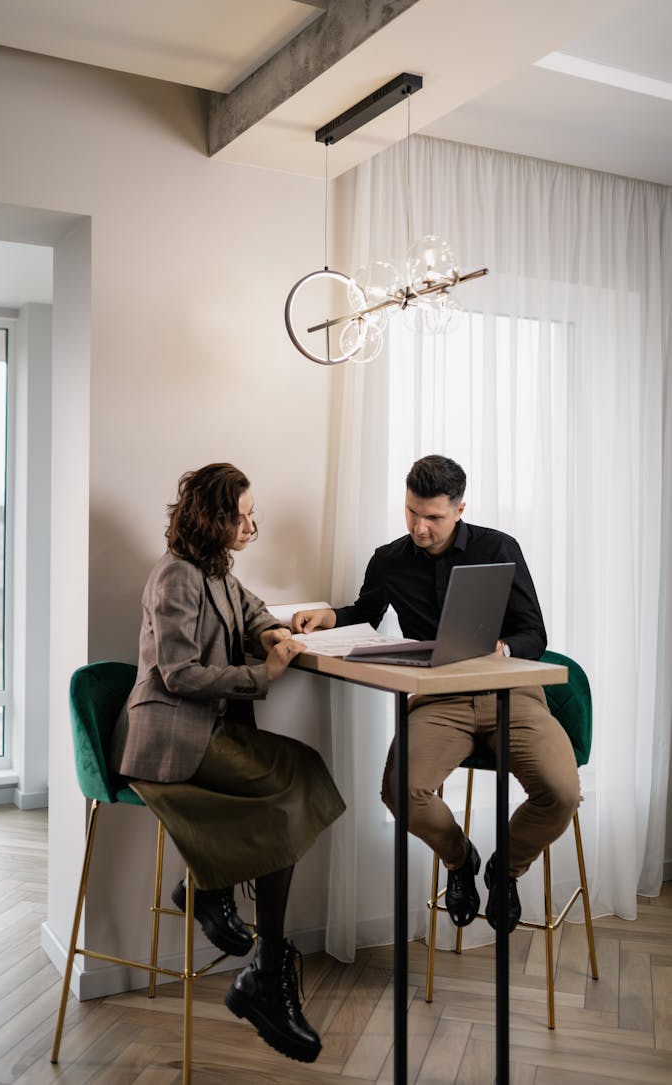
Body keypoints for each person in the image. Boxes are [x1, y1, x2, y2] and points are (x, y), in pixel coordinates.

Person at [111, 462, 345, 1064]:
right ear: (214, 520)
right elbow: (179, 673)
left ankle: (222, 906)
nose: (251, 525)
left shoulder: (215, 572)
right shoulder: (176, 577)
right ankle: (263, 967)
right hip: (169, 737)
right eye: (242, 516)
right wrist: (260, 673)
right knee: (291, 796)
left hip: (206, 729)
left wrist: (271, 632)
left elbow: (252, 610)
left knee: (306, 775)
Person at [292, 454, 580, 933]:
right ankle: (459, 858)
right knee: (400, 791)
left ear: (460, 509)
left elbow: (536, 632)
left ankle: (504, 869)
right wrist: (329, 616)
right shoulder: (388, 560)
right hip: (439, 701)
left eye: (433, 517)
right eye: (411, 512)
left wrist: (503, 648)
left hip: (511, 692)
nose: (419, 527)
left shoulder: (498, 547)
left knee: (562, 792)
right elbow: (364, 612)